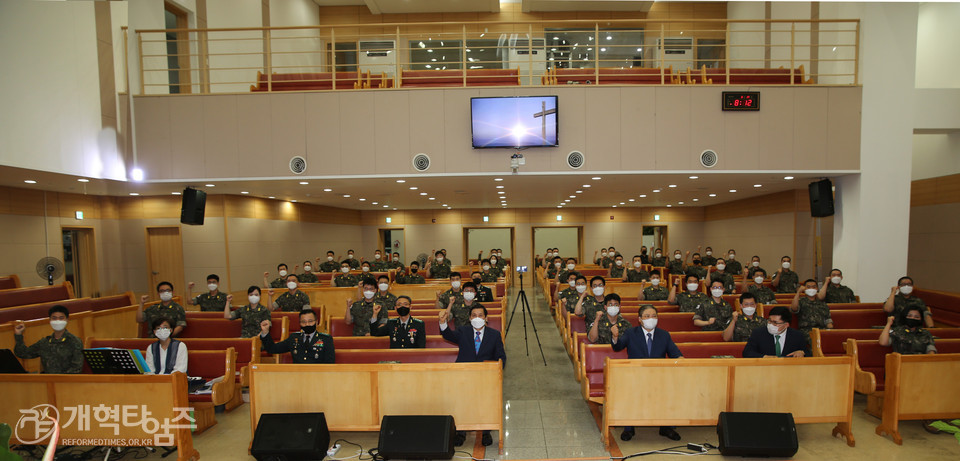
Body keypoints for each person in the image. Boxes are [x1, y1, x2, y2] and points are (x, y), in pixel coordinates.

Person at [612, 305, 683, 442]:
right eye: (647, 316)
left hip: (659, 376)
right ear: (640, 319)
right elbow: (618, 346)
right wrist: (615, 337)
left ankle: (666, 427)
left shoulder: (664, 335)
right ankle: (629, 428)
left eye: (654, 316)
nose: (651, 319)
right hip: (635, 375)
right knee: (629, 392)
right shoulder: (631, 333)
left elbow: (675, 353)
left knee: (671, 389)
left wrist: (680, 359)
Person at [439, 305, 505, 447]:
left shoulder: (494, 334)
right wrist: (443, 323)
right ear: (469, 318)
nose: (477, 318)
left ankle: (486, 432)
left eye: (480, 315)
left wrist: (496, 371)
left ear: (486, 318)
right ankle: (461, 432)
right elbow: (448, 335)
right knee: (462, 402)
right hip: (464, 374)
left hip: (485, 376)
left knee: (485, 403)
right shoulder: (463, 331)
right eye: (474, 315)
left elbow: (501, 357)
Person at [13, 305, 83, 374]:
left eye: (61, 318)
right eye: (54, 318)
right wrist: (18, 335)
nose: (57, 321)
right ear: (50, 320)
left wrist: (58, 379)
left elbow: (76, 368)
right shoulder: (44, 342)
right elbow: (23, 353)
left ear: (67, 320)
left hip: (66, 383)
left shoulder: (74, 342)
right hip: (48, 382)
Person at [260, 310, 334, 363]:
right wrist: (265, 332)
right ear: (300, 324)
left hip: (317, 377)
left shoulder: (326, 339)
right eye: (303, 322)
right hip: (297, 377)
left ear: (316, 322)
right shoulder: (294, 338)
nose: (307, 324)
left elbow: (330, 363)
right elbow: (272, 349)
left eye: (310, 321)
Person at [742, 306, 810, 358]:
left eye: (775, 322)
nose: (771, 324)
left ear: (786, 325)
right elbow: (747, 352)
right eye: (769, 320)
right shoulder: (758, 333)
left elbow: (808, 354)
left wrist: (802, 353)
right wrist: (764, 357)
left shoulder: (797, 336)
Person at [790, 279, 834, 344]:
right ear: (804, 289)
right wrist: (798, 292)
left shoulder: (822, 304)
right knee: (815, 340)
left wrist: (831, 330)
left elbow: (828, 320)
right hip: (806, 331)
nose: (811, 289)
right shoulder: (801, 302)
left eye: (814, 287)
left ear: (817, 288)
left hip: (821, 330)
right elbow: (794, 308)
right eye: (808, 287)